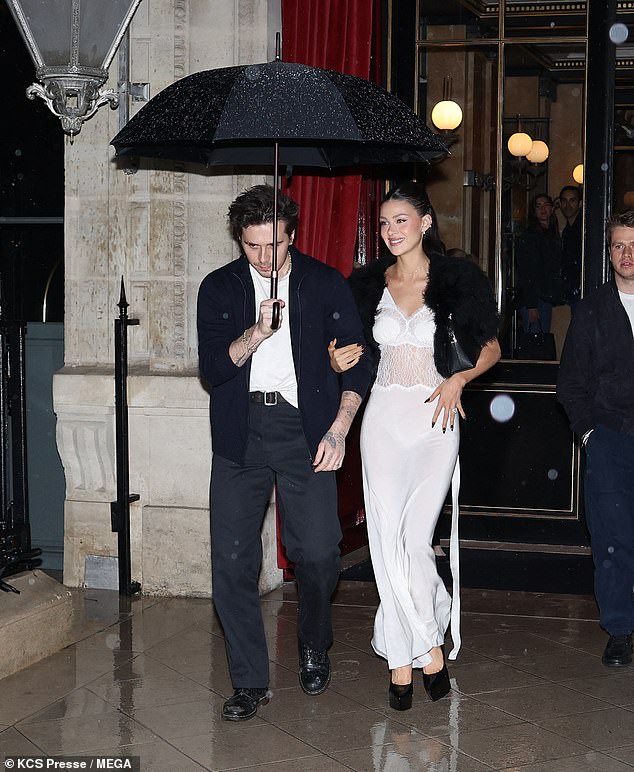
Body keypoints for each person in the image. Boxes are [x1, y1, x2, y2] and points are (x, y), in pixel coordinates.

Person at [197, 184, 373, 721]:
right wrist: (256, 332)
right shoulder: (219, 288)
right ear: (240, 242)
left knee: (319, 553)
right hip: (240, 433)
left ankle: (314, 642)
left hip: (307, 428)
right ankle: (249, 681)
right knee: (231, 562)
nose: (264, 257)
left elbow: (360, 363)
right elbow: (214, 369)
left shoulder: (324, 284)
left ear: (292, 235)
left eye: (274, 245)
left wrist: (340, 429)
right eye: (252, 246)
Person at [330, 183, 500, 710]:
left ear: (425, 223)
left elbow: (491, 347)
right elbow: (352, 358)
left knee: (415, 539)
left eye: (400, 220)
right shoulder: (364, 286)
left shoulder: (456, 280)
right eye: (383, 223)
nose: (390, 231)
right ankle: (412, 656)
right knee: (385, 539)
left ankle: (418, 643)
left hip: (435, 419)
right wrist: (336, 363)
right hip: (381, 420)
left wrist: (460, 380)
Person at [557, 210, 634, 668]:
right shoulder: (592, 310)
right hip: (609, 438)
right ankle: (620, 629)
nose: (627, 255)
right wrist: (590, 435)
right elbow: (570, 385)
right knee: (612, 539)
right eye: (619, 246)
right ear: (609, 253)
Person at [515, 193, 564, 336]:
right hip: (534, 298)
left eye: (546, 205)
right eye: (538, 206)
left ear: (552, 209)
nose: (543, 209)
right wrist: (531, 304)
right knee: (535, 343)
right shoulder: (530, 236)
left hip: (543, 297)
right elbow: (527, 271)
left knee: (539, 340)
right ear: (534, 211)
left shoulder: (551, 234)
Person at [558, 185, 583, 312]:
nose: (568, 205)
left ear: (579, 203)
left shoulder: (584, 229)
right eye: (564, 201)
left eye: (572, 200)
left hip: (583, 289)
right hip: (573, 289)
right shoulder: (568, 230)